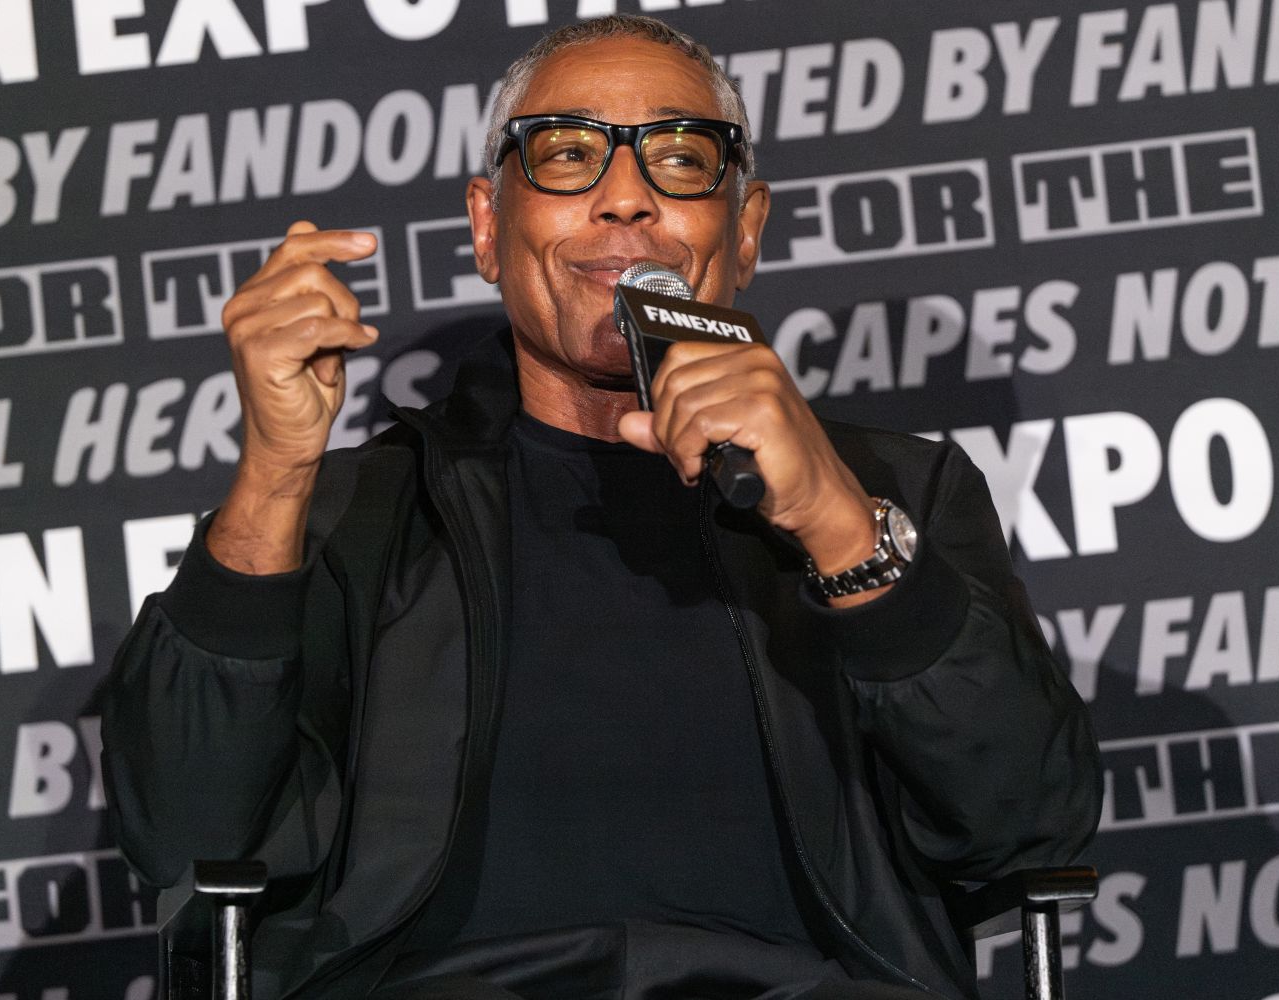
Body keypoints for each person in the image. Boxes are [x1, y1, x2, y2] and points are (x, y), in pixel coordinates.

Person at [101, 15, 1101, 1000]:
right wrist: (277, 468)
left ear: (744, 229)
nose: (625, 198)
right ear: (489, 228)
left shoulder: (896, 493)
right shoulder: (351, 509)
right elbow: (188, 833)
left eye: (678, 156)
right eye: (570, 154)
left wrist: (838, 520)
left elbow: (1029, 826)